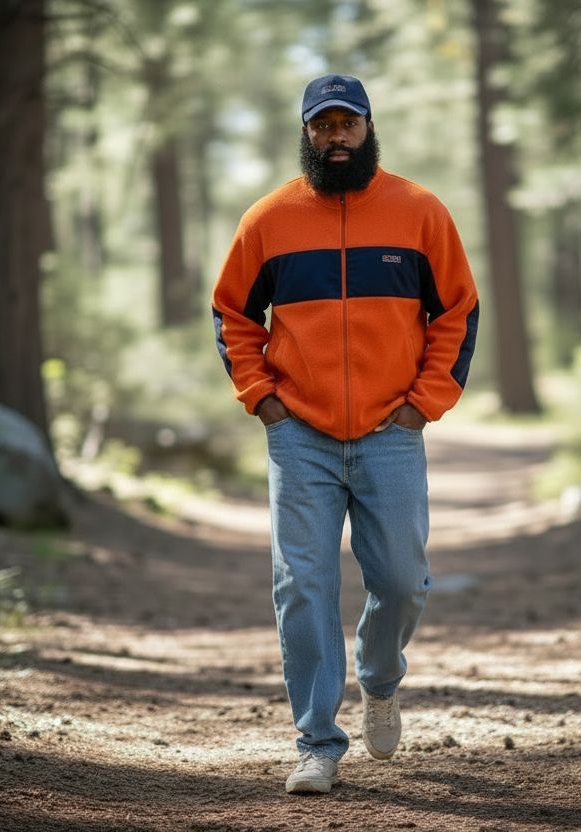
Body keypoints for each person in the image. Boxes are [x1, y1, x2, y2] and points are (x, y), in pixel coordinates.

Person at [211, 73, 479, 795]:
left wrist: (423, 405)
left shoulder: (420, 212)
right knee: (303, 583)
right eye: (321, 126)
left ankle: (380, 680)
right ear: (305, 133)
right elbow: (232, 314)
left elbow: (458, 310)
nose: (335, 138)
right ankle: (317, 744)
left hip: (393, 430)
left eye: (347, 124)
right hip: (299, 433)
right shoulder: (267, 220)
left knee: (400, 581)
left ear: (368, 128)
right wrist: (262, 399)